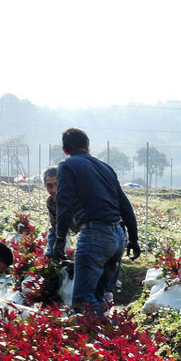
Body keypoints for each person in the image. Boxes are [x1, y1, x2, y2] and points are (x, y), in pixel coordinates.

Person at [53, 128, 140, 313]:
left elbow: (64, 205)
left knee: (83, 302)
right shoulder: (105, 167)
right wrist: (133, 239)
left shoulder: (67, 166)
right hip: (117, 237)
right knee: (99, 296)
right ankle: (103, 337)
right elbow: (125, 205)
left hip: (95, 236)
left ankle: (87, 338)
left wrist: (59, 239)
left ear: (65, 150)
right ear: (87, 146)